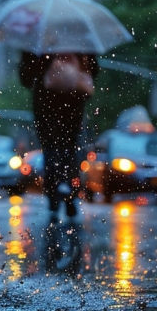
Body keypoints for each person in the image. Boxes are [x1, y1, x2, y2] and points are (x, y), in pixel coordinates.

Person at [18, 51, 98, 225]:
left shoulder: (38, 40)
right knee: (69, 148)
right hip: (74, 100)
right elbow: (94, 69)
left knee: (51, 149)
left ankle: (54, 198)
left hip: (45, 101)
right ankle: (69, 195)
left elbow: (25, 77)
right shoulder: (79, 37)